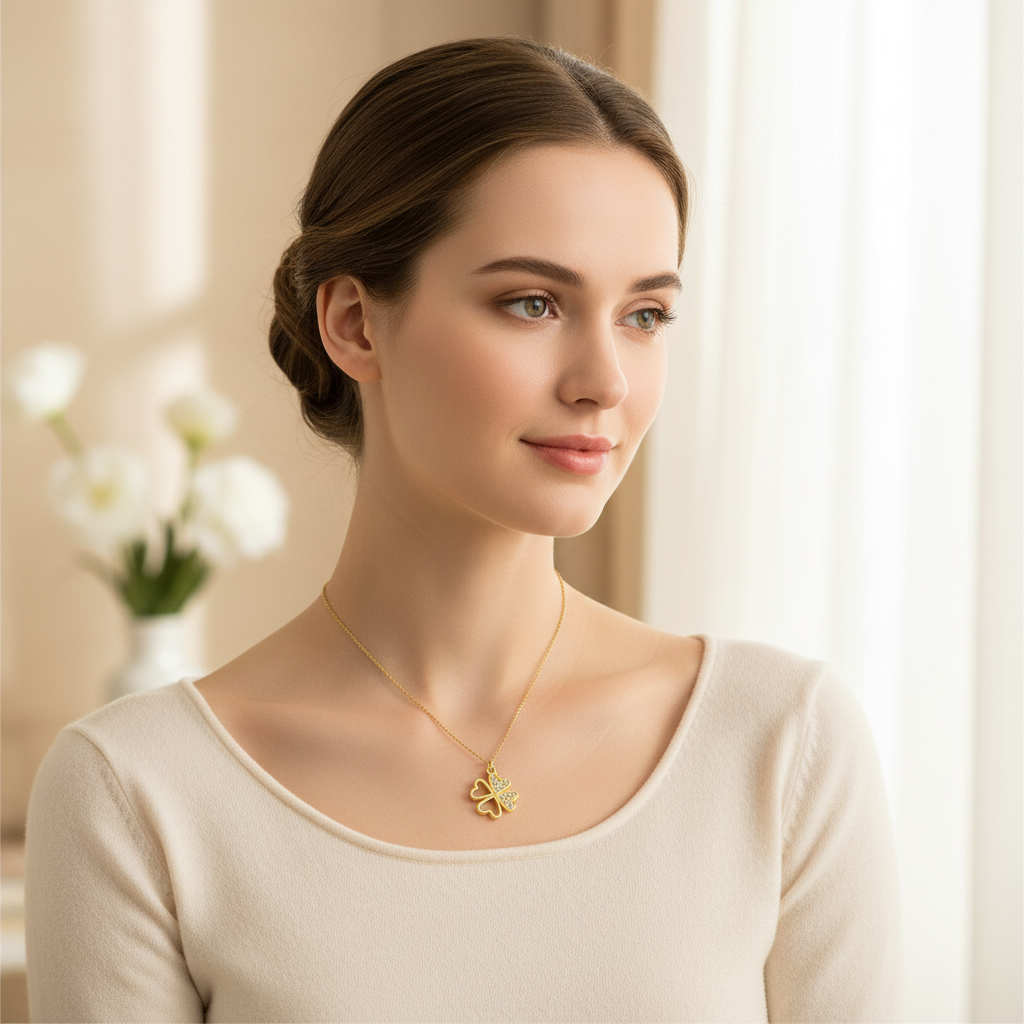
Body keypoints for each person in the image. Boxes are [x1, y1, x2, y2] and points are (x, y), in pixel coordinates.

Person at [24, 37, 902, 1023]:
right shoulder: (139, 791)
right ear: (355, 324)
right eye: (532, 303)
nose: (604, 380)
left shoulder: (781, 742)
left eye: (645, 314)